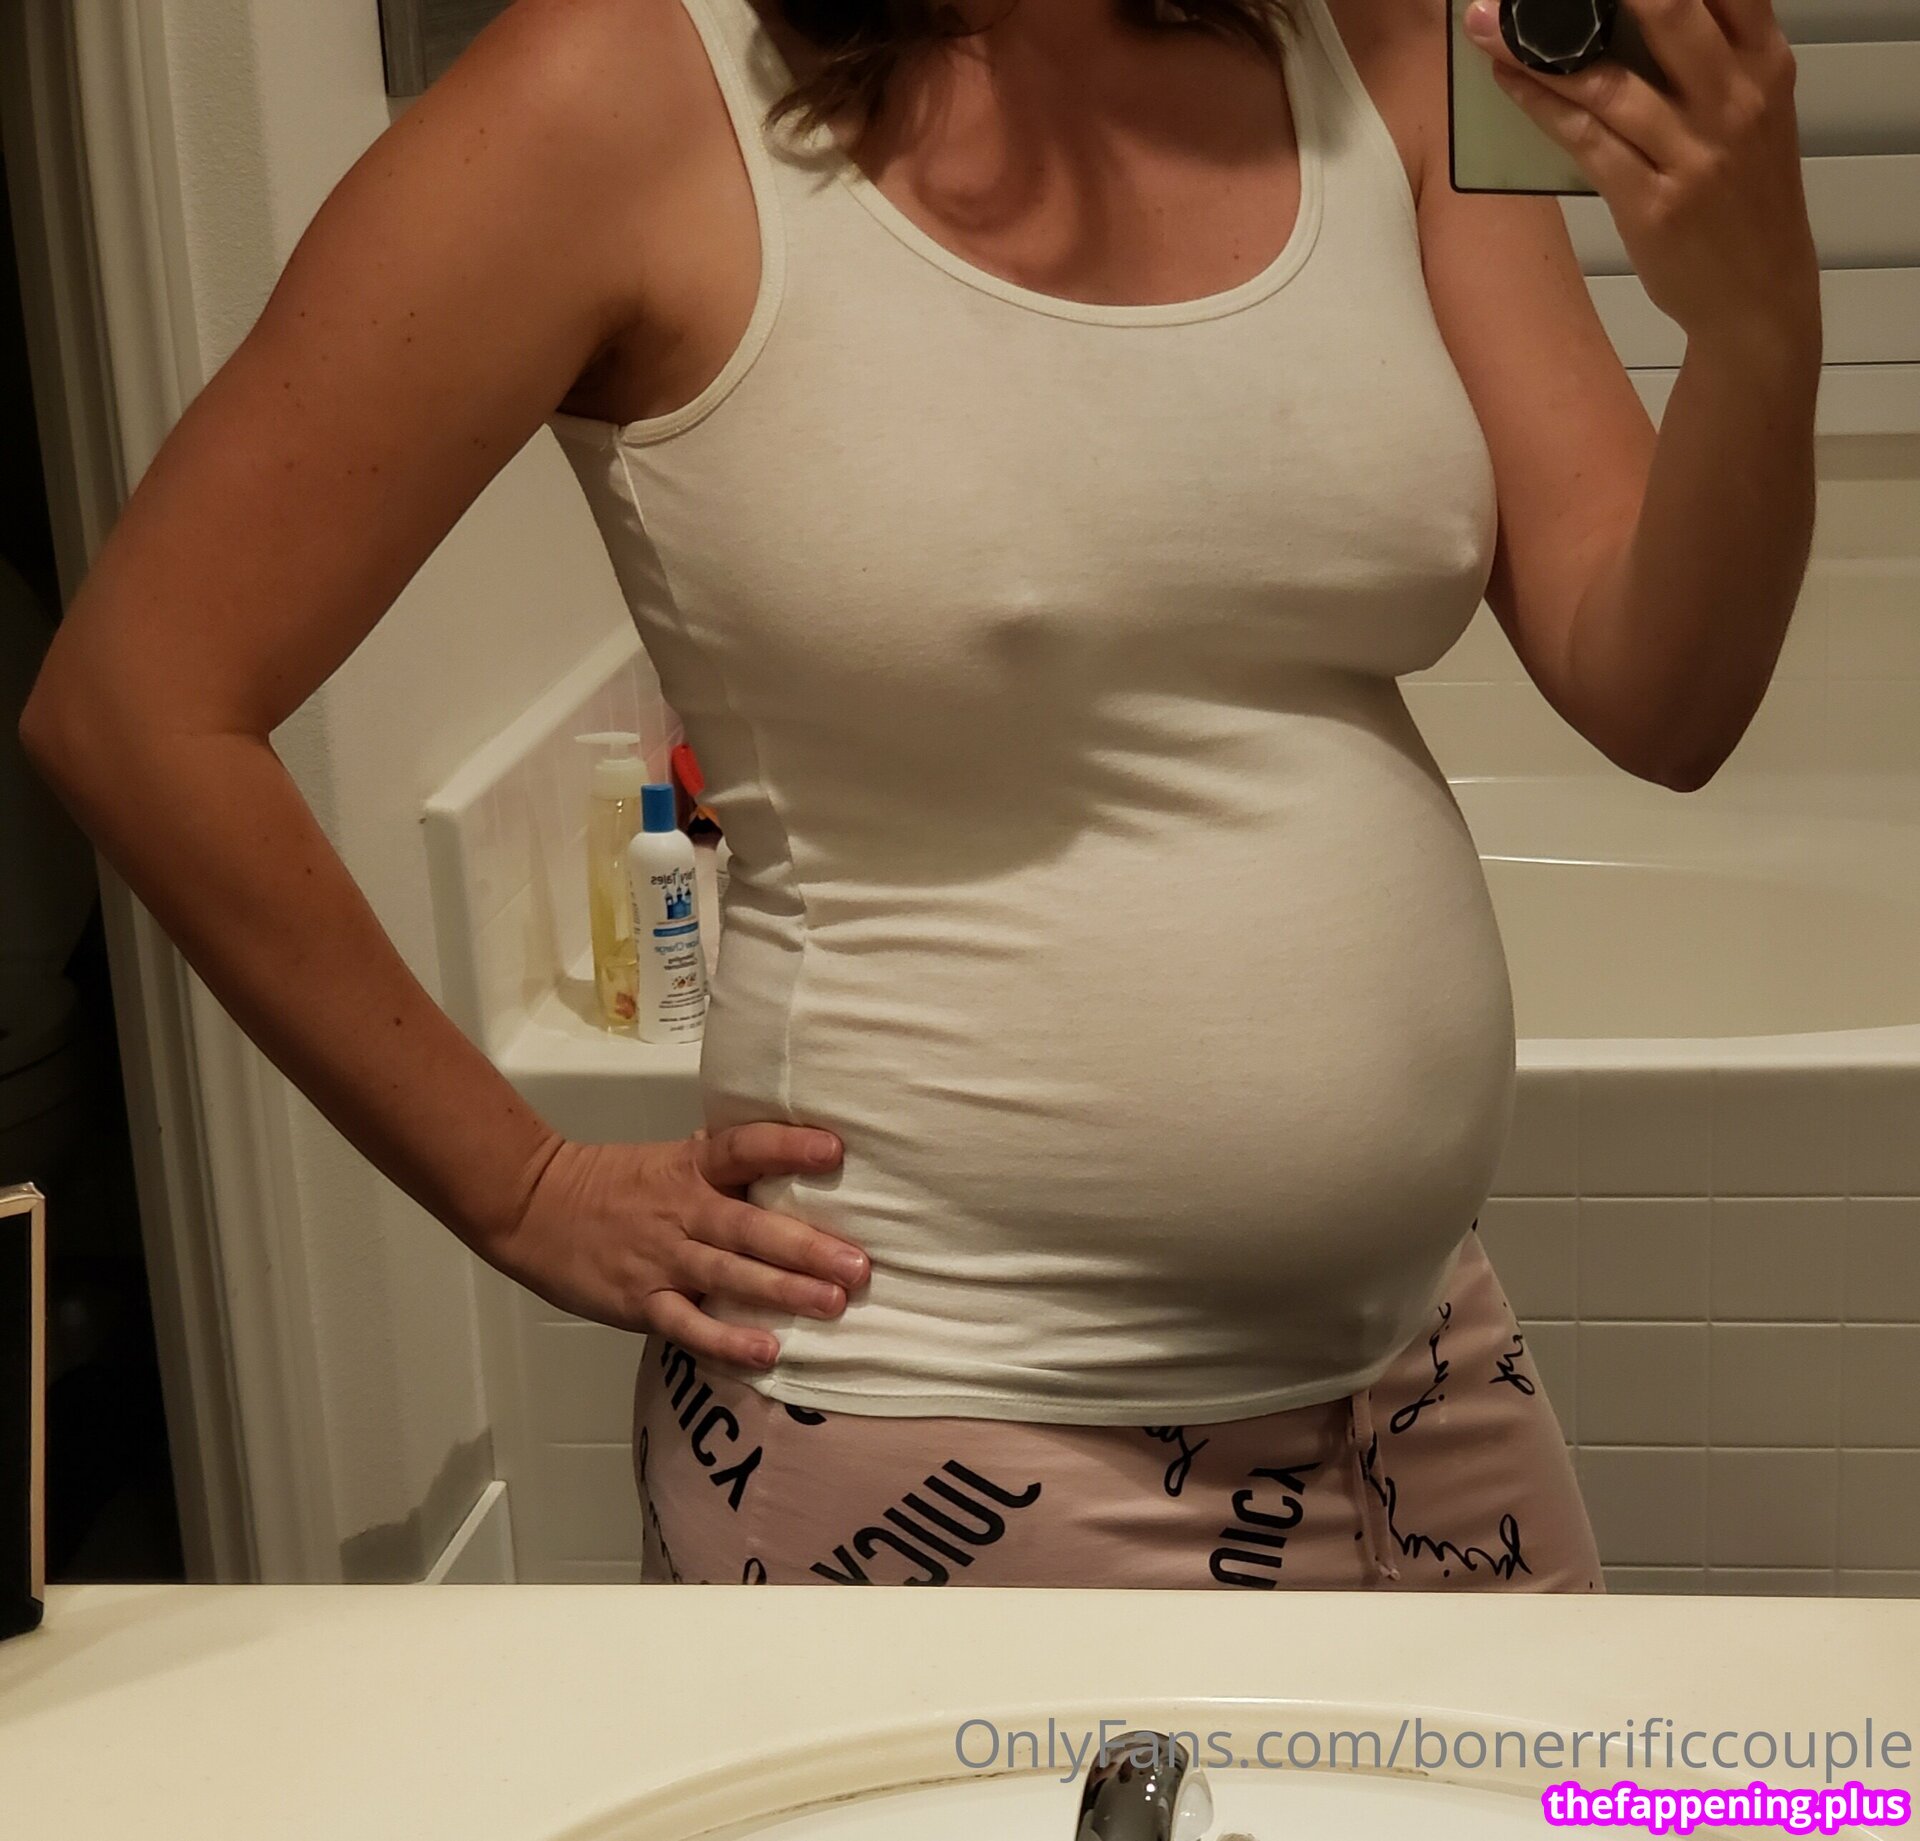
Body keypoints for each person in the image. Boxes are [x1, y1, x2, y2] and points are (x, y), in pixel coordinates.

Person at [19, 0, 1819, 1590]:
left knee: (1633, 1806)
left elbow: (1662, 694)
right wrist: (524, 1185)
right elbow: (140, 702)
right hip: (934, 1434)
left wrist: (1754, 319)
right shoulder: (622, 90)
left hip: (1423, 1387)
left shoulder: (1378, 43)